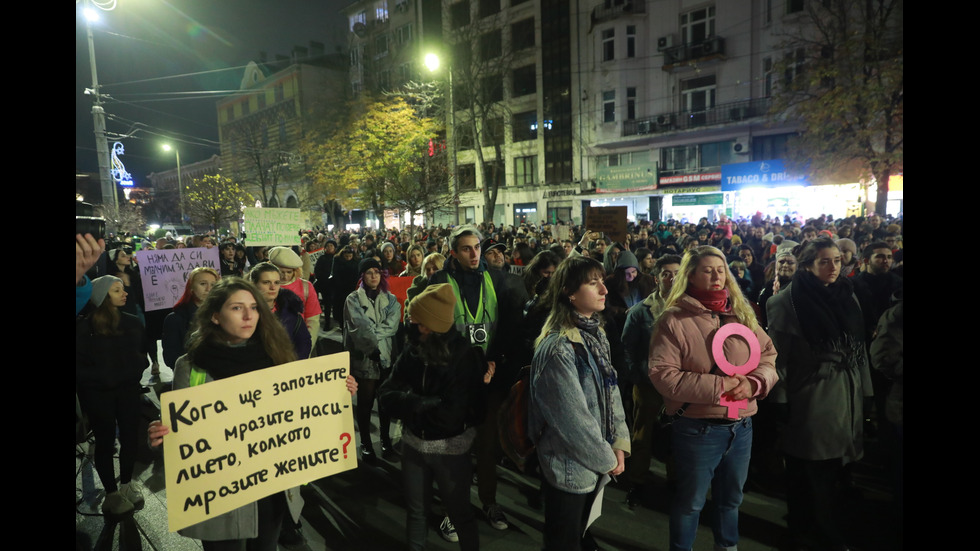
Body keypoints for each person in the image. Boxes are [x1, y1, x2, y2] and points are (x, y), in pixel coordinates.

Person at [148, 278, 356, 550]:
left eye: (254, 308)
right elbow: (182, 438)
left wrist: (337, 391)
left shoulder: (277, 356)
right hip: (221, 495)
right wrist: (161, 436)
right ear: (214, 315)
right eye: (236, 308)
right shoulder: (191, 366)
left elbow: (300, 412)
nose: (249, 316)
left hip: (272, 490)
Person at [649, 245, 778, 551]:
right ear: (690, 275)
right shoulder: (673, 320)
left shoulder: (741, 312)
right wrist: (720, 387)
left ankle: (727, 547)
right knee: (691, 503)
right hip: (697, 428)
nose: (717, 276)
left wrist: (755, 384)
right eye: (707, 270)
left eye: (720, 270)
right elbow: (663, 375)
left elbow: (769, 356)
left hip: (742, 426)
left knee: (731, 500)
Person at [766, 238, 873, 551]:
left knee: (834, 467)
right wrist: (780, 401)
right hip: (812, 394)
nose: (833, 267)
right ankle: (811, 527)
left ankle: (819, 523)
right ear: (808, 265)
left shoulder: (846, 295)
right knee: (811, 467)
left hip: (847, 391)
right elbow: (779, 358)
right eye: (825, 261)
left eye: (837, 260)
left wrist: (865, 392)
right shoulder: (785, 301)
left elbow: (859, 348)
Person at [379, 284, 494, 551]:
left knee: (460, 514)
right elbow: (386, 394)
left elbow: (452, 414)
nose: (411, 324)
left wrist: (408, 403)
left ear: (432, 324)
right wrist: (420, 402)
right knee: (416, 512)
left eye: (417, 321)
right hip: (413, 447)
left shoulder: (464, 355)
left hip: (451, 452)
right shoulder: (413, 349)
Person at [529, 255, 630, 551]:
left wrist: (619, 442)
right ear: (570, 293)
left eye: (602, 281)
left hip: (593, 461)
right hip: (569, 468)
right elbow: (572, 420)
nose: (604, 289)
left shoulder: (595, 332)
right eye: (592, 283)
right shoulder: (558, 347)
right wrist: (608, 459)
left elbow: (612, 391)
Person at [76, 276, 148, 515]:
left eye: (123, 289)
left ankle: (126, 483)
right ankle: (111, 493)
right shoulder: (83, 328)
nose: (124, 293)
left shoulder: (132, 322)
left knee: (130, 437)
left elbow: (142, 355)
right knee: (105, 442)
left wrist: (131, 375)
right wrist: (100, 380)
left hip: (127, 391)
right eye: (117, 290)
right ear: (103, 296)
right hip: (98, 396)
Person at [620, 254, 681, 508]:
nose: (672, 278)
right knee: (642, 434)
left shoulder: (692, 309)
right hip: (648, 384)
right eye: (666, 273)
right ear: (657, 278)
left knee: (678, 436)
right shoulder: (640, 312)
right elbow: (627, 348)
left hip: (680, 385)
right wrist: (638, 375)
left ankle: (677, 483)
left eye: (677, 273)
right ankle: (638, 481)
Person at [344, 258, 402, 461]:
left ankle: (386, 442)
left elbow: (393, 325)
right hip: (365, 357)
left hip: (386, 357)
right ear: (362, 276)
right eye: (369, 272)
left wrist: (374, 334)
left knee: (385, 402)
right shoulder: (352, 299)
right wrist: (374, 341)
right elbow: (359, 329)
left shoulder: (391, 299)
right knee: (365, 402)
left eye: (377, 272)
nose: (374, 276)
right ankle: (366, 444)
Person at [249, 262, 312, 360]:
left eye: (276, 282)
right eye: (266, 282)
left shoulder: (291, 311)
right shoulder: (245, 315)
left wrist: (293, 364)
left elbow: (304, 342)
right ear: (253, 284)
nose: (273, 287)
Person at [162, 267, 219, 368]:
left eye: (213, 285)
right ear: (191, 288)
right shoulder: (174, 319)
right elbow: (171, 358)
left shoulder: (222, 315)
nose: (209, 289)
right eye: (203, 284)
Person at [268, 246, 321, 353]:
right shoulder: (265, 286)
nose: (285, 276)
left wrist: (307, 348)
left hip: (299, 341)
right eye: (281, 271)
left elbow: (313, 320)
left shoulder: (306, 286)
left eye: (289, 272)